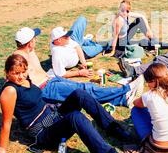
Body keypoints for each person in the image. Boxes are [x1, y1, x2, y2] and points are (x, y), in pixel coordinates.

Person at [0, 54, 139, 153]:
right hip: (43, 132)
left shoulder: (25, 80)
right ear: (7, 73)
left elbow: (34, 98)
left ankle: (117, 131)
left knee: (80, 94)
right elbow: (6, 124)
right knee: (75, 117)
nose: (21, 76)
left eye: (23, 72)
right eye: (16, 73)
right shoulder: (9, 91)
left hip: (53, 115)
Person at [13, 26, 143, 107]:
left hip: (50, 80)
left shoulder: (29, 51)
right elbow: (12, 83)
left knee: (84, 90)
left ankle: (123, 100)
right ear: (29, 42)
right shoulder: (18, 59)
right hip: (46, 88)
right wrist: (4, 101)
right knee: (86, 90)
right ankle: (126, 90)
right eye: (34, 38)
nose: (36, 40)